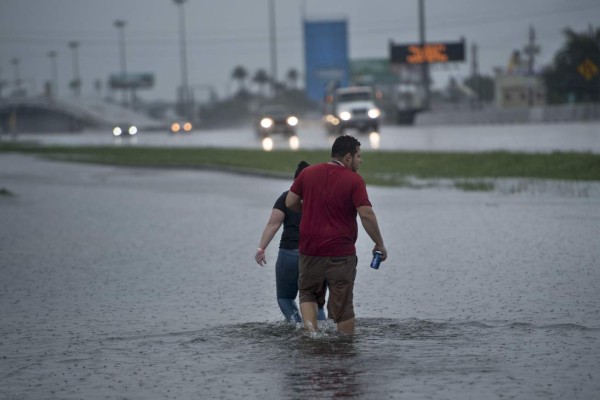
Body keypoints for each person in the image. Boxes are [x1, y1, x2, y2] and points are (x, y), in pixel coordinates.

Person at [285, 135, 387, 334]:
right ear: (348, 157)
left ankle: (311, 336)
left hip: (309, 251)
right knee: (343, 307)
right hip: (340, 253)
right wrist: (379, 243)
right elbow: (366, 214)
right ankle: (346, 348)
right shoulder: (354, 180)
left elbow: (290, 202)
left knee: (308, 294)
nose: (361, 160)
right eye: (359, 156)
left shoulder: (308, 173)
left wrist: (309, 209)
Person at [255, 161, 327, 323]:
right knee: (317, 303)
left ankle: (298, 326)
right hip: (318, 256)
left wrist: (261, 248)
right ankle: (322, 332)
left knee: (285, 298)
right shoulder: (323, 199)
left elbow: (273, 224)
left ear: (296, 181)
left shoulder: (285, 198)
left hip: (289, 254)